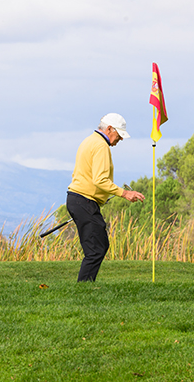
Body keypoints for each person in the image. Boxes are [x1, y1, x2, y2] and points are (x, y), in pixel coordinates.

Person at [66, 113, 144, 282]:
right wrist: (125, 193)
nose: (120, 139)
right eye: (119, 135)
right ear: (109, 129)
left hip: (79, 200)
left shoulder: (89, 140)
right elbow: (100, 179)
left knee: (98, 245)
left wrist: (100, 196)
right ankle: (83, 290)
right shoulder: (101, 146)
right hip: (84, 201)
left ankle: (85, 287)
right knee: (96, 248)